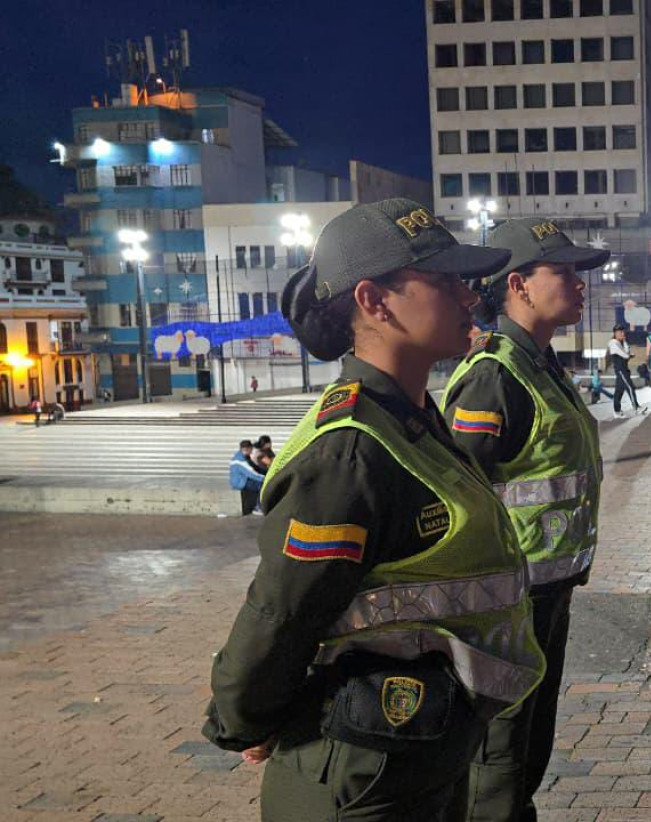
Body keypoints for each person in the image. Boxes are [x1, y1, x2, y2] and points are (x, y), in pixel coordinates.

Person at [203, 199, 544, 822]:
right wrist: (240, 719)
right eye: (444, 281)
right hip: (359, 771)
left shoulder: (412, 422)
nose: (470, 298)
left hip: (418, 749)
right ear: (374, 301)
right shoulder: (349, 450)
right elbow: (282, 609)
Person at [442, 217, 606, 822]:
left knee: (528, 752)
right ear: (519, 284)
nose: (581, 284)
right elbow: (460, 496)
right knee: (500, 762)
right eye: (563, 272)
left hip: (545, 592)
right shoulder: (495, 376)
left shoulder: (539, 363)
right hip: (507, 601)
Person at [607, 323, 646, 419]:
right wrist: (628, 354)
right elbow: (625, 355)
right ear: (615, 333)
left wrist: (624, 342)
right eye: (620, 332)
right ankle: (636, 407)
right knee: (630, 387)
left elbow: (626, 354)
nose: (622, 333)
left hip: (624, 369)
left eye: (623, 332)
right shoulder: (613, 343)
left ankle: (617, 411)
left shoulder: (620, 342)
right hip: (620, 370)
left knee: (619, 391)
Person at [230, 439, 265, 516]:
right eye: (251, 449)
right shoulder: (240, 461)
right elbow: (252, 474)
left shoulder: (240, 455)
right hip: (240, 482)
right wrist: (265, 478)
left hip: (242, 479)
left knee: (259, 482)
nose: (252, 451)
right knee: (262, 485)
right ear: (248, 449)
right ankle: (258, 508)